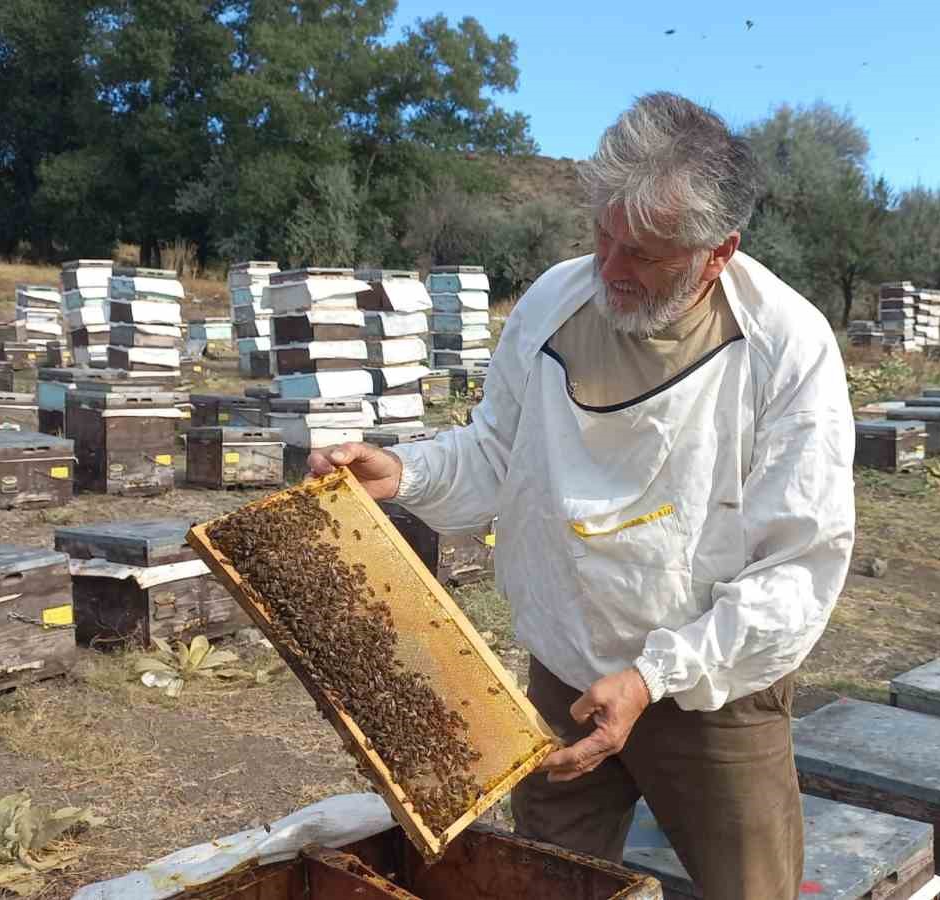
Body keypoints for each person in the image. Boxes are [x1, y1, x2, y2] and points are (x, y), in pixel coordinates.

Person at [310, 91, 855, 899]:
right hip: (565, 674)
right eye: (603, 234)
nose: (611, 267)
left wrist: (652, 679)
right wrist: (407, 473)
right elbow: (497, 450)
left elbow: (799, 566)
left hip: (712, 692)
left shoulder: (787, 346)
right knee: (549, 885)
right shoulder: (554, 304)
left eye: (645, 252)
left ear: (718, 251)